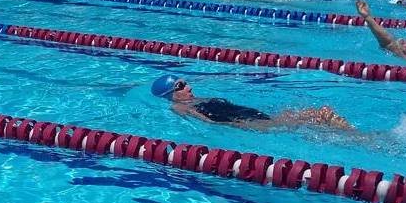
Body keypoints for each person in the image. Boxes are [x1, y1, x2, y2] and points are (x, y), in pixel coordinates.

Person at [150, 75, 354, 130]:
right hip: (243, 121)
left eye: (186, 83)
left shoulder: (194, 100)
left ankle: (350, 133)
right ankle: (357, 137)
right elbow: (209, 123)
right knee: (311, 117)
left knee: (315, 115)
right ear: (170, 94)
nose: (189, 87)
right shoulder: (179, 107)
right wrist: (239, 126)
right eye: (181, 86)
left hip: (245, 113)